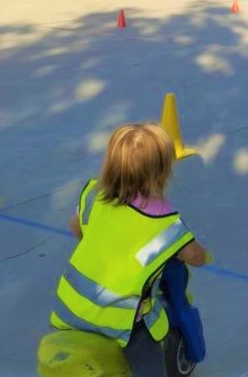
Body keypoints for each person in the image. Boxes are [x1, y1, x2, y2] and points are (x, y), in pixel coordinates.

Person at [49, 123, 210, 375]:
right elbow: (193, 256)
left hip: (71, 310)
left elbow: (76, 227)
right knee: (150, 363)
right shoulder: (163, 222)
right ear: (162, 173)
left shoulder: (94, 195)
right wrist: (205, 256)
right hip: (119, 322)